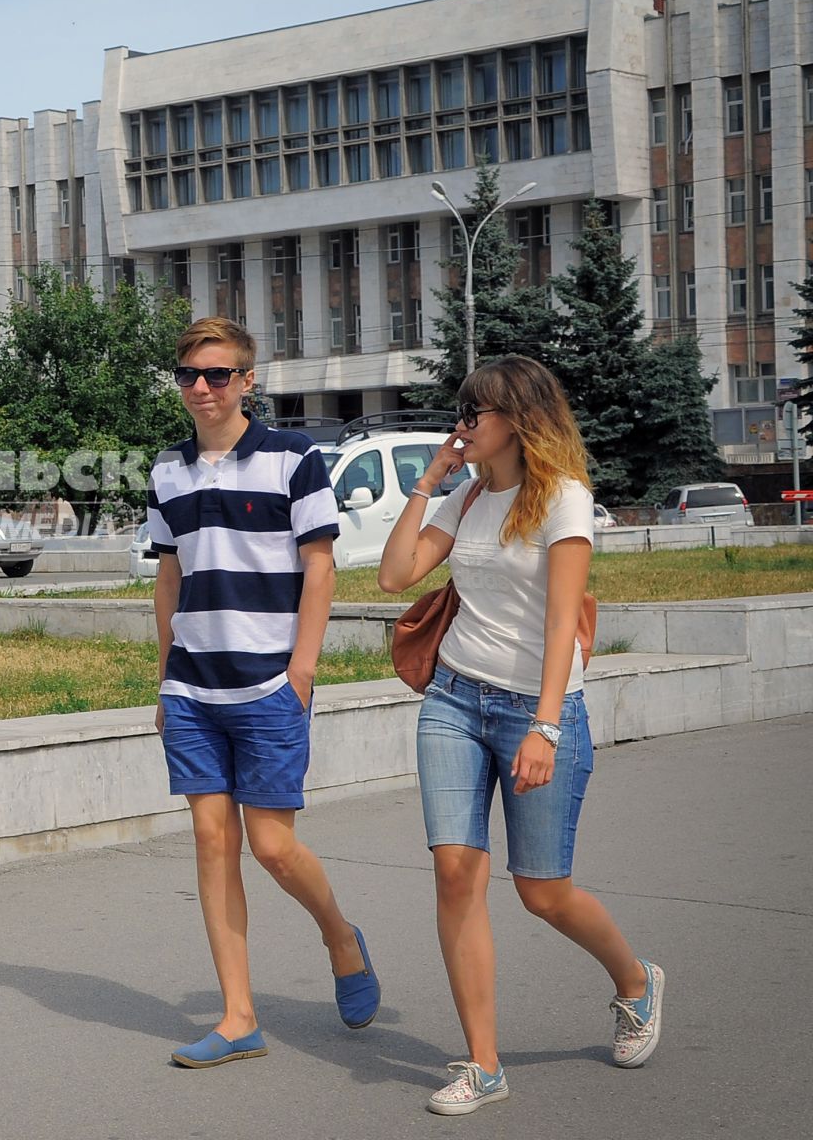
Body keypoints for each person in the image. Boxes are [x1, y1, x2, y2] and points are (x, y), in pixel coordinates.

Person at [377, 355, 664, 1116]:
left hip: (538, 710)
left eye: (475, 413)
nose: (461, 424)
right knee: (454, 873)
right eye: (460, 411)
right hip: (453, 699)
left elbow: (563, 623)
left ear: (519, 420)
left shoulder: (562, 500)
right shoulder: (467, 497)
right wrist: (428, 480)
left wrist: (542, 727)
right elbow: (394, 575)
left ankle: (635, 980)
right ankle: (484, 1063)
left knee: (543, 892)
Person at [145, 316, 380, 1069]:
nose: (202, 388)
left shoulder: (293, 459)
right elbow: (169, 576)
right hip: (193, 689)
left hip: (270, 684)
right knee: (213, 844)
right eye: (189, 376)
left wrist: (302, 670)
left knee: (274, 847)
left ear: (249, 380)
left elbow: (320, 566)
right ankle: (238, 1015)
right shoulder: (168, 471)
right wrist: (165, 675)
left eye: (218, 374)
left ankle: (340, 937)